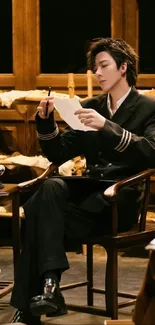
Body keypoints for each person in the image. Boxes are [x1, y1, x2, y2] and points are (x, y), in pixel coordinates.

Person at [11, 37, 155, 325]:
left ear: (123, 67)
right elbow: (59, 152)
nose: (97, 74)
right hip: (87, 196)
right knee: (49, 190)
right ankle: (50, 286)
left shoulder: (147, 107)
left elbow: (151, 152)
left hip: (119, 199)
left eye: (104, 66)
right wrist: (46, 121)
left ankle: (30, 308)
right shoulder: (91, 104)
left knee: (38, 214)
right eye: (95, 68)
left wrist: (108, 127)